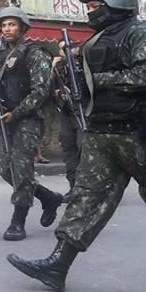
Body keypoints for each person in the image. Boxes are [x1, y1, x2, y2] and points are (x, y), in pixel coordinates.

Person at [8, 0, 146, 292]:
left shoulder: (139, 32)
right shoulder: (95, 40)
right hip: (101, 132)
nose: (90, 12)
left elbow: (142, 74)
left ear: (115, 5)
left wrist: (94, 80)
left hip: (136, 131)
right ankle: (58, 265)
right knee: (85, 199)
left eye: (95, 6)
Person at [0, 6, 64, 242]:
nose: (6, 29)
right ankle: (47, 197)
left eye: (12, 24)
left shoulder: (35, 53)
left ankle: (18, 221)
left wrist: (17, 112)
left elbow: (41, 91)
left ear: (22, 27)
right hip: (7, 119)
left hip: (28, 120)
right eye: (3, 25)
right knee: (3, 167)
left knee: (22, 170)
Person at [52, 39, 83, 199]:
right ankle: (74, 187)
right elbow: (48, 87)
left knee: (83, 149)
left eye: (67, 48)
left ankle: (90, 188)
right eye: (61, 49)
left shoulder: (84, 63)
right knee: (69, 150)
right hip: (66, 112)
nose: (63, 52)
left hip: (83, 112)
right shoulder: (58, 67)